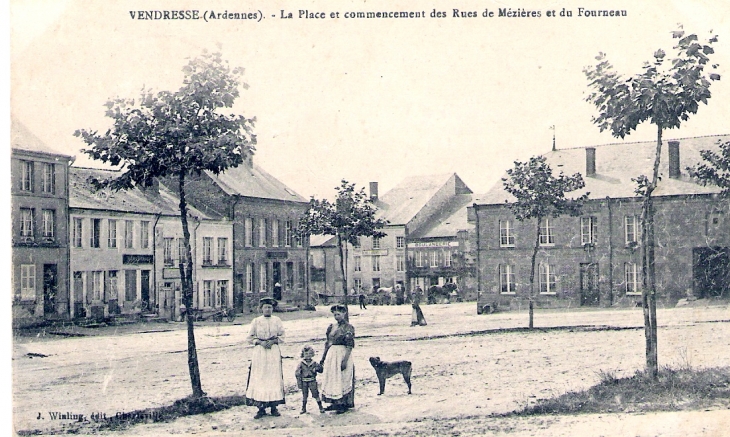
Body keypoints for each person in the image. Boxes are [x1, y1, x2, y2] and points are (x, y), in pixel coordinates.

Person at [245, 297, 286, 419]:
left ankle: (274, 407)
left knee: (273, 377)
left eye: (270, 307)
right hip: (260, 352)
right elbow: (249, 338)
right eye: (265, 307)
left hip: (273, 351)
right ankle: (260, 408)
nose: (268, 309)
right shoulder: (256, 321)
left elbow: (282, 335)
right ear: (261, 309)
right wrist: (259, 342)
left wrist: (273, 341)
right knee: (260, 377)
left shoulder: (277, 320)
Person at [320, 304, 355, 413]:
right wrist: (323, 358)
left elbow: (349, 345)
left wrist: (345, 360)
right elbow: (328, 343)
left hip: (342, 353)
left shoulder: (348, 327)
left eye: (339, 314)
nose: (337, 317)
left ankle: (343, 404)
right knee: (332, 378)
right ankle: (334, 403)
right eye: (335, 315)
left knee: (342, 377)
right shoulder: (332, 327)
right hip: (332, 354)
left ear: (344, 314)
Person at [295, 346, 326, 414]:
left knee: (316, 394)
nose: (308, 356)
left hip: (312, 381)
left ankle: (320, 407)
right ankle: (303, 408)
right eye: (306, 354)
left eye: (309, 354)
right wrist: (299, 383)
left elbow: (321, 370)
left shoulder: (314, 363)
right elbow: (297, 373)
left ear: (312, 354)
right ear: (303, 355)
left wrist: (317, 368)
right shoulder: (301, 363)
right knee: (305, 395)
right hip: (304, 381)